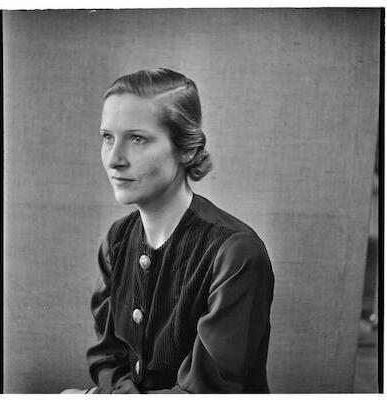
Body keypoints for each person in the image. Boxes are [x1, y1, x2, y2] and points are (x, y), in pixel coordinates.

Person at [62, 68, 274, 394]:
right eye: (107, 137)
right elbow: (108, 358)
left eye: (137, 138)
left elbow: (203, 392)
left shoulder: (236, 254)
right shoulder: (117, 240)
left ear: (186, 149)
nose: (114, 159)